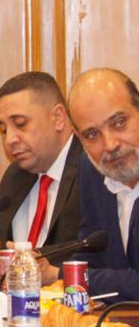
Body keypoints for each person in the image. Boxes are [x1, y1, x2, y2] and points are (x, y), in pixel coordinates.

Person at [0, 72, 83, 284]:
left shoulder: (92, 170)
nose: (10, 140)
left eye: (20, 124)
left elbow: (94, 250)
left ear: (58, 118)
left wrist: (36, 266)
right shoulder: (14, 177)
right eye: (3, 130)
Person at [56, 68, 139, 298]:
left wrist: (60, 275)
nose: (110, 145)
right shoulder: (92, 170)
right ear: (79, 139)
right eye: (92, 134)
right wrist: (33, 265)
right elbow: (91, 253)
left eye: (119, 122)